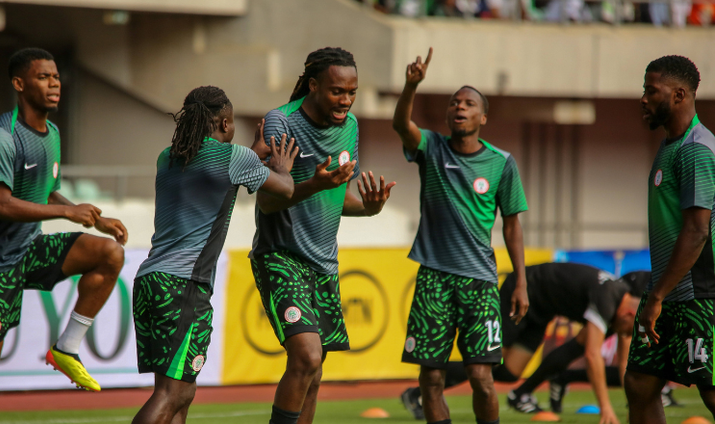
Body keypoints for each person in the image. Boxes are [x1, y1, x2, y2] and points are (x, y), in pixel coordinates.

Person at [0, 47, 128, 424]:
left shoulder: (52, 134)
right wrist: (68, 212)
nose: (54, 83)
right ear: (19, 84)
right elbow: (0, 204)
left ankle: (66, 347)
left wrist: (93, 220)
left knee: (109, 254)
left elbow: (44, 190)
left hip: (28, 248)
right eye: (43, 77)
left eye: (56, 77)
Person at [131, 85, 298, 424]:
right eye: (232, 123)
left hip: (150, 280)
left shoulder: (168, 157)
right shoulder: (234, 158)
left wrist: (251, 153)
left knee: (180, 391)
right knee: (173, 393)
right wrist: (280, 166)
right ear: (224, 124)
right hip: (184, 286)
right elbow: (286, 190)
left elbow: (214, 176)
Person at [251, 47, 395, 424]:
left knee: (313, 374)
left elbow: (339, 195)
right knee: (307, 356)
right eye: (336, 92)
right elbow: (267, 202)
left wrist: (370, 207)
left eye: (352, 93)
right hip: (280, 256)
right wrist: (312, 185)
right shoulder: (280, 123)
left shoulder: (350, 127)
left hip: (324, 264)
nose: (345, 101)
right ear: (313, 86)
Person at [393, 47, 528, 424]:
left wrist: (521, 279)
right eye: (454, 102)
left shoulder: (501, 162)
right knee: (431, 377)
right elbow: (401, 127)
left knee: (482, 378)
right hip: (433, 278)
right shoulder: (431, 147)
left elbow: (513, 224)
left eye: (468, 103)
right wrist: (410, 86)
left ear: (482, 116)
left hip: (480, 283)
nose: (459, 107)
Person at [399, 263, 639, 423]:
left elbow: (624, 355)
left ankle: (519, 393)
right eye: (628, 330)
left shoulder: (621, 299)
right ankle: (418, 392)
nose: (624, 334)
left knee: (509, 372)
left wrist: (633, 399)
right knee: (487, 361)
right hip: (522, 292)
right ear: (628, 315)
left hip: (542, 310)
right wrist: (606, 407)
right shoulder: (608, 299)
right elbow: (592, 355)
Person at [626, 55, 715, 424]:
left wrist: (657, 295)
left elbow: (697, 231)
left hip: (700, 294)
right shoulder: (669, 146)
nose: (643, 98)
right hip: (665, 292)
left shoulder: (696, 148)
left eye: (651, 90)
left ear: (679, 95)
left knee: (711, 390)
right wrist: (657, 294)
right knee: (639, 384)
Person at [547, 271, 680, 411]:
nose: (629, 333)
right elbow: (596, 355)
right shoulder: (610, 300)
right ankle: (558, 379)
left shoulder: (628, 306)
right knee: (635, 366)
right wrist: (606, 408)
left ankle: (659, 391)